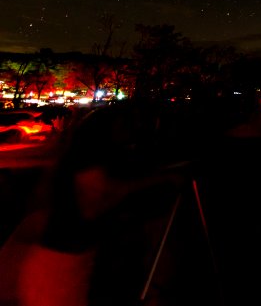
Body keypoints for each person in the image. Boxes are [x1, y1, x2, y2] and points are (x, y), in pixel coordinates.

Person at [16, 102, 185, 306]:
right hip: (61, 267)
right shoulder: (88, 169)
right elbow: (105, 193)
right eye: (126, 125)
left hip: (63, 263)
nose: (133, 131)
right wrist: (159, 180)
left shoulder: (74, 163)